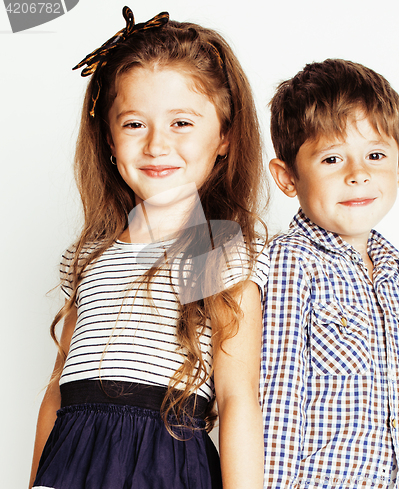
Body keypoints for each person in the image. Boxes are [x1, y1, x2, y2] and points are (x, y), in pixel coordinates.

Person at [30, 7, 268, 489]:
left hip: (166, 467)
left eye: (182, 123)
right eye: (135, 124)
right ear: (109, 141)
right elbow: (57, 392)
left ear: (224, 136)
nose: (157, 145)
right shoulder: (92, 254)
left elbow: (238, 397)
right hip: (72, 464)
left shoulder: (214, 247)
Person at [260, 59, 399, 489]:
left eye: (376, 155)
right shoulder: (291, 263)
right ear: (288, 178)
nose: (358, 174)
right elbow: (276, 399)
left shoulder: (396, 277)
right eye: (332, 158)